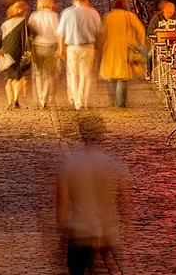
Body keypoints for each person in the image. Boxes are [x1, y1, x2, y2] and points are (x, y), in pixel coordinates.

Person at [56, 115, 130, 274]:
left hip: (80, 233)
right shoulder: (115, 166)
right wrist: (129, 235)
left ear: (81, 135)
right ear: (102, 135)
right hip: (107, 235)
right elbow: (125, 206)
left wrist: (62, 236)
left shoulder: (70, 166)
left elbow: (62, 206)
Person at [57, 0, 102, 111]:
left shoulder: (67, 12)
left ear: (74, 0)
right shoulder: (93, 12)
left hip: (72, 47)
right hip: (88, 47)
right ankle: (83, 100)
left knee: (73, 74)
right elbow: (98, 32)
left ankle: (76, 99)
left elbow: (61, 33)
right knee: (85, 74)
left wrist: (61, 48)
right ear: (86, 0)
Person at [98, 0, 145, 108]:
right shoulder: (129, 16)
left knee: (111, 76)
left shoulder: (107, 17)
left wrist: (100, 47)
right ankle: (122, 102)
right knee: (123, 77)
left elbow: (102, 34)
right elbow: (140, 30)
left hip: (110, 49)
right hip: (125, 49)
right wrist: (140, 43)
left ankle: (112, 100)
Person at [0, 0, 31, 110]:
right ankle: (16, 100)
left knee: (9, 79)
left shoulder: (5, 24)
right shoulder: (24, 23)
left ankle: (9, 102)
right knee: (17, 78)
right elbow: (31, 37)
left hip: (6, 54)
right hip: (19, 53)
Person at [28, 0, 61, 109]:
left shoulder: (34, 16)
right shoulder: (54, 16)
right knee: (48, 74)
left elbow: (30, 33)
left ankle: (40, 94)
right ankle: (44, 99)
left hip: (36, 46)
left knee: (38, 73)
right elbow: (58, 33)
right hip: (50, 46)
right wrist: (60, 49)